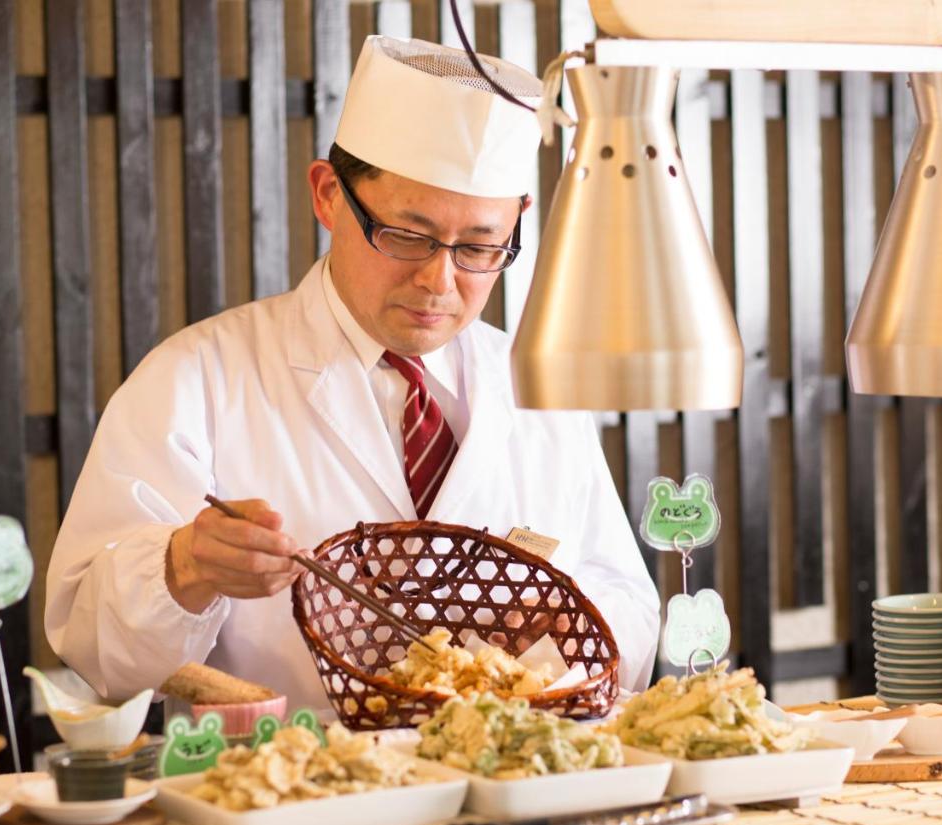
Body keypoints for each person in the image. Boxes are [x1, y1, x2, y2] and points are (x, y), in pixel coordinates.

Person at [45, 36, 659, 708]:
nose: (439, 280)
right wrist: (185, 565)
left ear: (517, 224)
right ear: (329, 195)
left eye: (480, 247)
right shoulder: (195, 381)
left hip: (511, 782)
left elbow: (627, 601)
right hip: (292, 793)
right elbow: (95, 649)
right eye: (407, 236)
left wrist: (566, 628)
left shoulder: (534, 386)